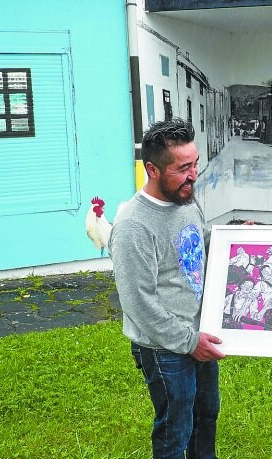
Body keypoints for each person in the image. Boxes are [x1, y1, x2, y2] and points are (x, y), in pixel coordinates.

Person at [108, 118, 225, 459]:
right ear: (153, 170)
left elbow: (194, 246)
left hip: (199, 335)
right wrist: (189, 342)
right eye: (183, 167)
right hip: (165, 348)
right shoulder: (133, 226)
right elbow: (138, 303)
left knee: (206, 416)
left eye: (196, 164)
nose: (193, 175)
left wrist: (235, 240)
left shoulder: (185, 199)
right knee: (176, 429)